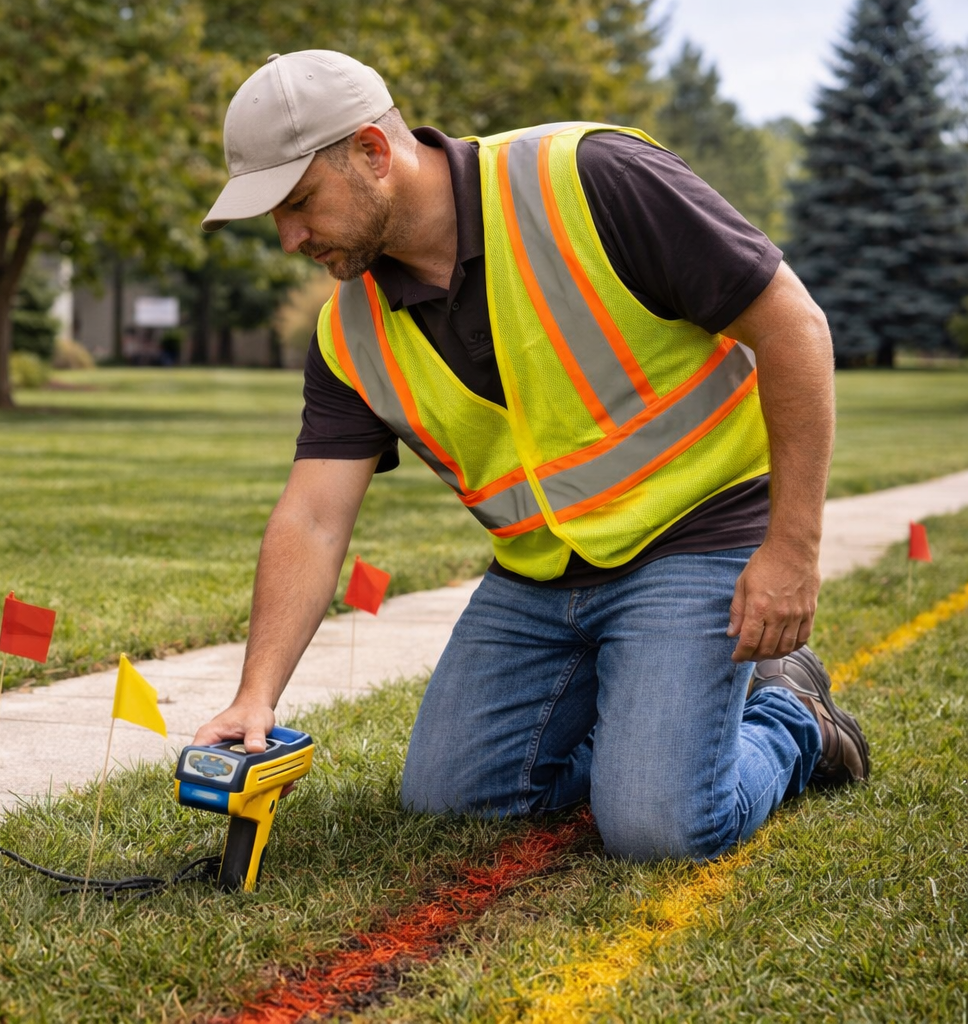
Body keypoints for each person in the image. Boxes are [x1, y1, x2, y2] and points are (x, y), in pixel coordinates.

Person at [192, 50, 869, 861]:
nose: (290, 237)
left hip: (696, 540)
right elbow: (311, 518)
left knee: (659, 830)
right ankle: (648, 739)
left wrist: (792, 547)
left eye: (300, 202)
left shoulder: (590, 177)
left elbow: (792, 325)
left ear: (373, 152)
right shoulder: (348, 333)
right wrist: (255, 697)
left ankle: (793, 719)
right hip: (539, 581)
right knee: (451, 800)